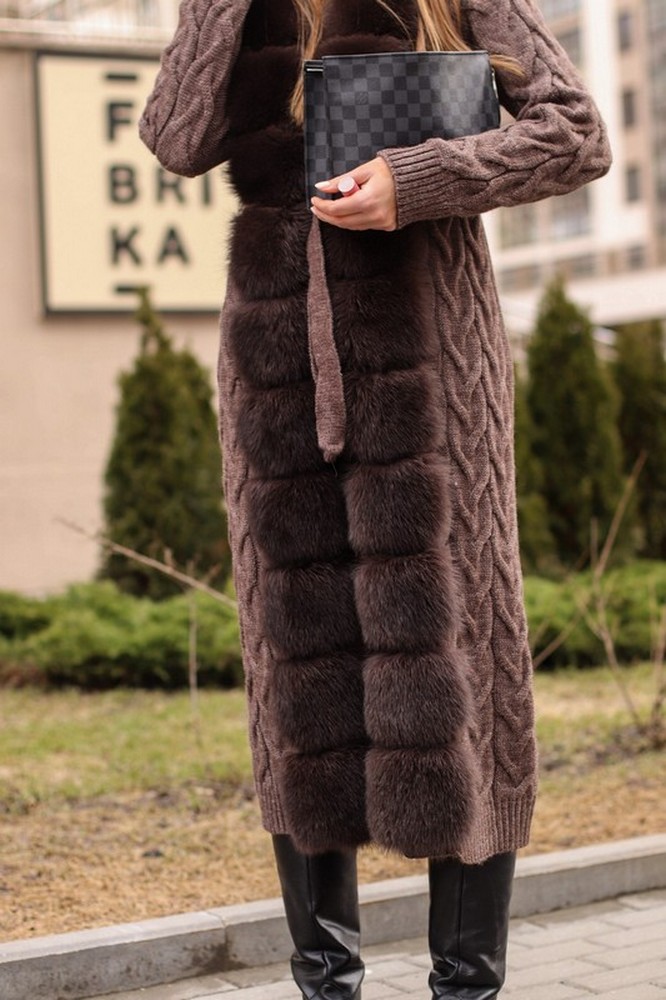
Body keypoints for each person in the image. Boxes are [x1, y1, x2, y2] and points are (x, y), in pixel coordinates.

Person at [140, 1, 611, 996]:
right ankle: (326, 985)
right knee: (297, 678)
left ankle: (466, 986)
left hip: (435, 377)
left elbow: (576, 132)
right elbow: (175, 139)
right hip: (275, 379)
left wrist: (419, 179)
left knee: (462, 667)